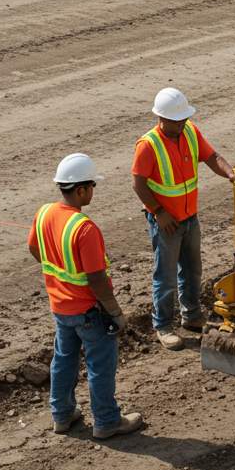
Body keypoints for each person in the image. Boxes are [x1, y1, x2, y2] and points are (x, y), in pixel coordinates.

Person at [28, 153, 144, 440]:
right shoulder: (84, 228)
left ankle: (62, 415)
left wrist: (61, 276)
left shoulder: (43, 213)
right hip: (90, 311)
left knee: (63, 361)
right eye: (92, 185)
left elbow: (35, 250)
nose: (93, 191)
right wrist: (115, 312)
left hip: (60, 307)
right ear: (80, 189)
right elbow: (96, 278)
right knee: (100, 367)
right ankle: (106, 421)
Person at [131, 87, 234, 351]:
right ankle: (163, 325)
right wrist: (158, 212)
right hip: (166, 223)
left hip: (189, 217)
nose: (182, 123)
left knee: (192, 269)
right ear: (161, 119)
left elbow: (212, 157)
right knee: (164, 277)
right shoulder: (148, 145)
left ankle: (191, 316)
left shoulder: (189, 131)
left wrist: (232, 173)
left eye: (184, 119)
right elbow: (138, 184)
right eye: (177, 120)